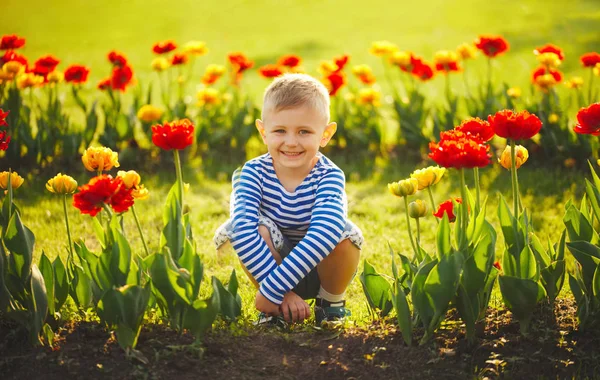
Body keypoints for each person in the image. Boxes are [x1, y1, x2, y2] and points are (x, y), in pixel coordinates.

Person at [213, 73, 363, 326]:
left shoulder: (329, 175)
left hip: (322, 268)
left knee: (344, 234)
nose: (291, 142)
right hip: (269, 264)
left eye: (304, 131)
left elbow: (324, 233)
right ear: (263, 131)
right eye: (280, 130)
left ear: (325, 134)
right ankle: (276, 309)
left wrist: (272, 289)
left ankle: (330, 304)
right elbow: (242, 228)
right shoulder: (253, 173)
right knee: (250, 228)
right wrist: (280, 292)